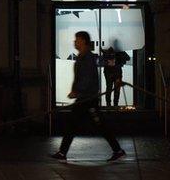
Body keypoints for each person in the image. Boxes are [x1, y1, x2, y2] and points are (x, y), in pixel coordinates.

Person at [51, 31, 126, 162]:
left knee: (93, 125)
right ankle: (63, 152)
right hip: (85, 98)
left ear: (84, 41)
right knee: (87, 125)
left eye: (77, 40)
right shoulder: (83, 57)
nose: (75, 42)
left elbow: (87, 78)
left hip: (87, 99)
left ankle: (63, 152)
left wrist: (76, 91)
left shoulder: (87, 58)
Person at [101, 40, 130, 107]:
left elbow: (102, 61)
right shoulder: (118, 51)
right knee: (113, 89)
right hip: (115, 73)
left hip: (112, 73)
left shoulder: (109, 51)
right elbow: (127, 58)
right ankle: (113, 105)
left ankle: (111, 105)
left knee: (110, 88)